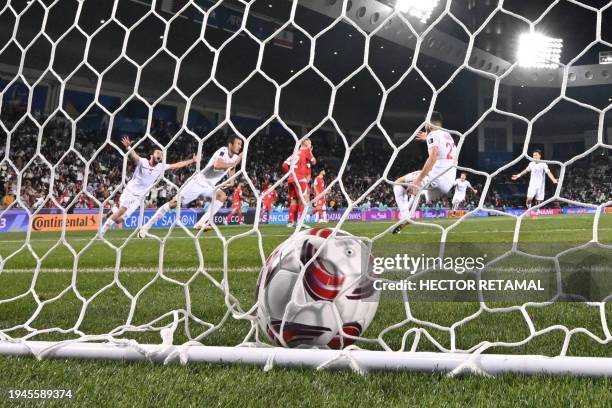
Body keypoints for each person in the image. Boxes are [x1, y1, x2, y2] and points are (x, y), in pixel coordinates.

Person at [139, 135, 243, 236]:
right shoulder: (223, 151)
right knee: (174, 203)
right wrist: (234, 163)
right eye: (238, 143)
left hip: (210, 186)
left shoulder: (234, 157)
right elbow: (217, 165)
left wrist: (232, 180)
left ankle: (200, 223)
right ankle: (146, 227)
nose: (240, 146)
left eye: (241, 144)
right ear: (230, 144)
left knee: (222, 196)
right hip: (198, 182)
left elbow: (232, 168)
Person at [99, 136, 198, 237]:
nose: (160, 154)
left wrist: (192, 161)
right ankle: (102, 232)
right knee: (123, 209)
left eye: (161, 154)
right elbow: (135, 156)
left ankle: (113, 209)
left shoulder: (160, 167)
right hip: (130, 191)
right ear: (151, 155)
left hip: (139, 197)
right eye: (158, 152)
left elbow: (176, 165)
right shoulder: (143, 162)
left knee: (119, 220)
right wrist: (129, 147)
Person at [393, 111, 457, 234]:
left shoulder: (432, 134)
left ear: (428, 123)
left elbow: (432, 157)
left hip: (436, 177)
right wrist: (427, 137)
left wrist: (419, 179)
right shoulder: (447, 135)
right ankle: (408, 215)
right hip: (449, 181)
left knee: (398, 183)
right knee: (416, 191)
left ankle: (406, 216)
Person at [512, 150, 558, 217]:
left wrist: (553, 179)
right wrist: (518, 175)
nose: (534, 156)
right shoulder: (531, 164)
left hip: (541, 186)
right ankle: (529, 209)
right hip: (532, 185)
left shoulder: (543, 164)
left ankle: (536, 211)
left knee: (539, 202)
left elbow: (548, 173)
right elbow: (526, 170)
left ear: (540, 156)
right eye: (533, 155)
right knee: (529, 199)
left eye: (536, 155)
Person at [282, 138, 316, 227]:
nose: (311, 145)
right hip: (300, 179)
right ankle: (301, 222)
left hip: (291, 179)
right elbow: (314, 162)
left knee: (294, 201)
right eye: (310, 144)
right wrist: (310, 151)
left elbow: (284, 165)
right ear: (306, 144)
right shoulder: (306, 151)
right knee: (303, 200)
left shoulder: (294, 153)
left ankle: (291, 222)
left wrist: (291, 174)